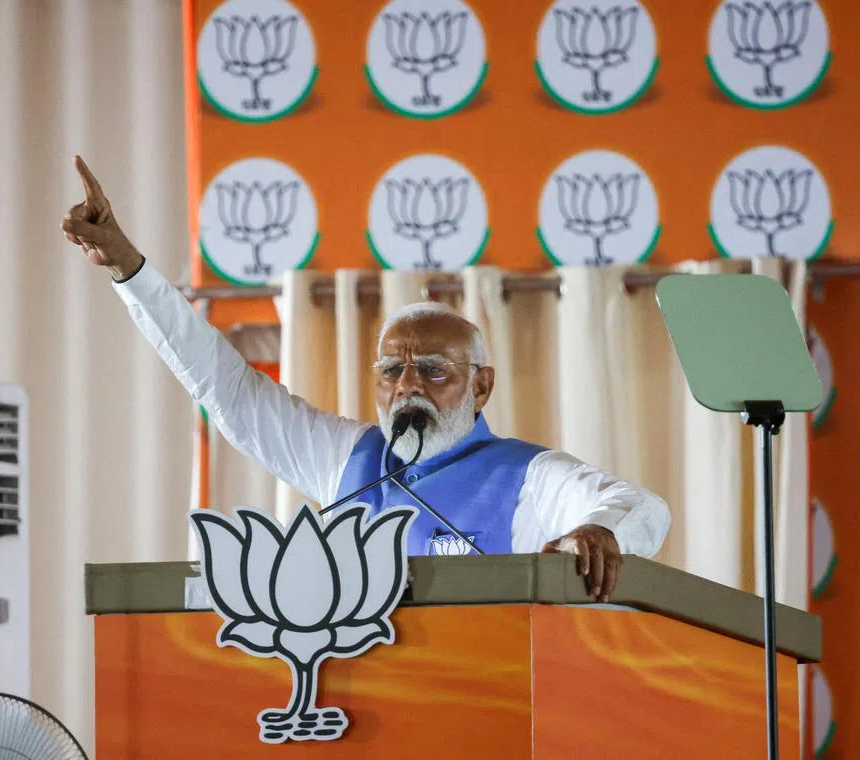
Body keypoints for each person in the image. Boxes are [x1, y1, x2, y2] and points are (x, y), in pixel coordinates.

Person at [61, 155, 670, 602]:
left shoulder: (526, 476)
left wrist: (596, 531)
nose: (408, 385)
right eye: (391, 371)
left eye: (433, 371)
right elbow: (229, 391)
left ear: (481, 387)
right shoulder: (349, 461)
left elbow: (640, 508)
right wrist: (128, 269)